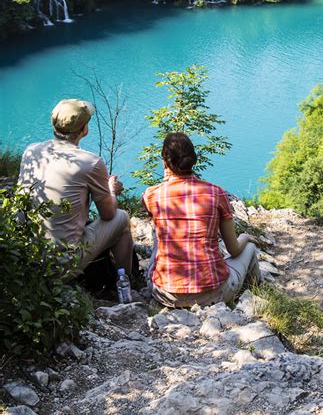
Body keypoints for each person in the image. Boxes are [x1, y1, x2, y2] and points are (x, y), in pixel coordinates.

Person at [142, 132, 261, 308]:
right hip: (214, 293)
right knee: (249, 248)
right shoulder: (216, 193)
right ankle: (255, 298)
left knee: (158, 231)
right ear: (193, 160)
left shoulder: (152, 195)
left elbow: (154, 202)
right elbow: (234, 250)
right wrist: (245, 237)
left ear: (164, 162)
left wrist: (168, 177)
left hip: (166, 294)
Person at [18, 98, 133, 276]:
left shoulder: (31, 151)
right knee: (121, 217)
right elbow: (108, 214)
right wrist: (112, 190)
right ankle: (126, 284)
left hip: (26, 258)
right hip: (62, 265)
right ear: (84, 130)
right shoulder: (90, 162)